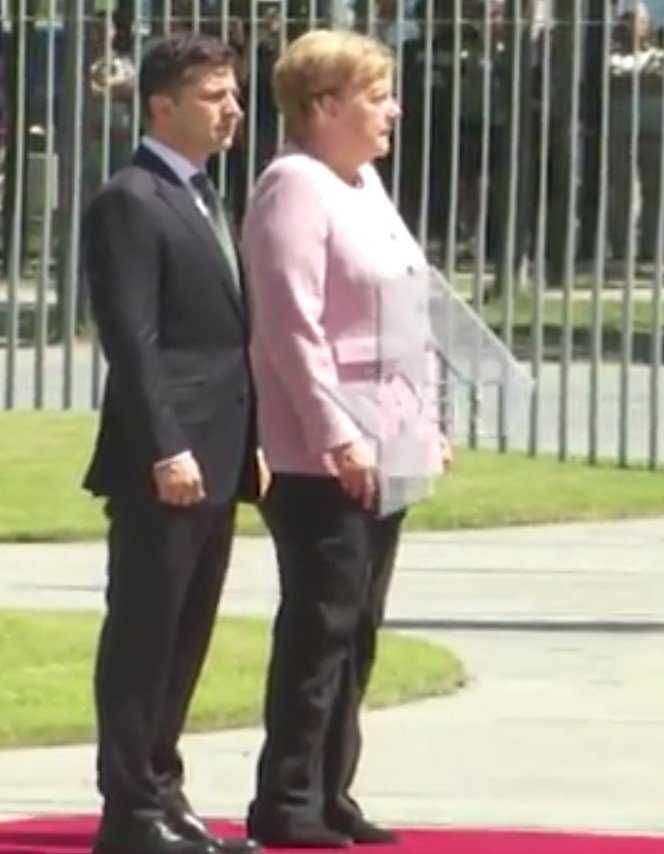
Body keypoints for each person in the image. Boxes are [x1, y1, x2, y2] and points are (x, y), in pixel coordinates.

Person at [241, 28, 451, 848]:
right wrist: (337, 436)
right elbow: (291, 326)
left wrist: (424, 424)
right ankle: (288, 800)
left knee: (359, 625)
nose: (392, 110)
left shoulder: (362, 183)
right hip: (321, 456)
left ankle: (333, 791)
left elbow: (404, 312)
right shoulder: (294, 187)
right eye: (376, 96)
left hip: (388, 439)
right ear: (324, 106)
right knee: (320, 625)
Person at [80, 31, 265, 854]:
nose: (232, 110)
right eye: (214, 96)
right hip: (168, 457)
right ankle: (129, 808)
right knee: (145, 632)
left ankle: (163, 788)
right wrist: (165, 447)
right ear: (162, 106)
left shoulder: (200, 194)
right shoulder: (130, 199)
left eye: (233, 95)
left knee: (187, 634)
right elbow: (134, 341)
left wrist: (250, 439)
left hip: (218, 449)